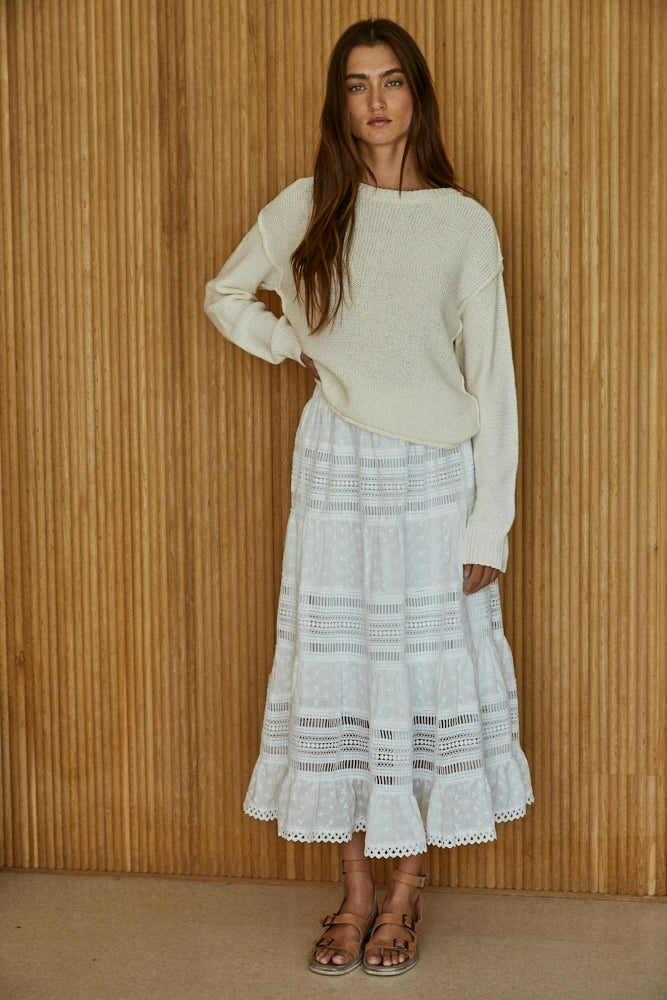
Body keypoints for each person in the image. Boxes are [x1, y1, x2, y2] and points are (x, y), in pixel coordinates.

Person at [204, 17, 533, 977]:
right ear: (338, 101)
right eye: (357, 84)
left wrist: (491, 523)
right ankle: (351, 890)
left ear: (416, 97)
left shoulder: (463, 223)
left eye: (392, 82)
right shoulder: (308, 204)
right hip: (337, 467)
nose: (376, 100)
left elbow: (495, 382)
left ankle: (404, 892)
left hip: (435, 479)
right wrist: (288, 344)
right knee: (341, 674)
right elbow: (228, 295)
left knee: (420, 677)